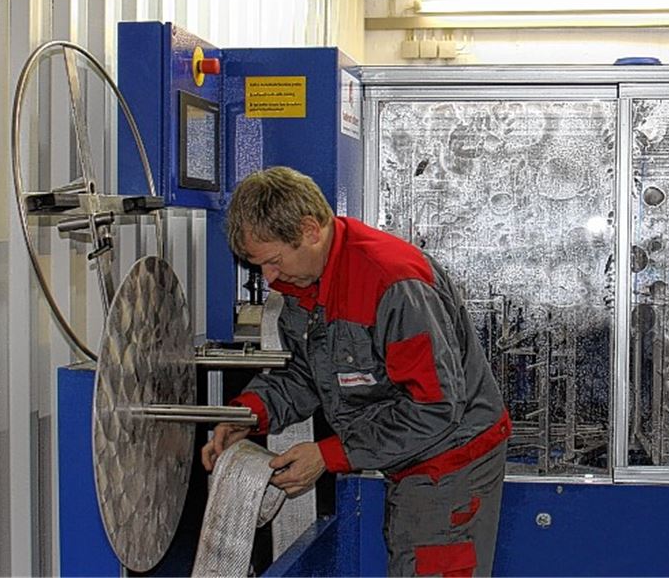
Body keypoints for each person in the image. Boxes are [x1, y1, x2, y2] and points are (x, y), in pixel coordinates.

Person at [201, 166, 512, 577]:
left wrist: (330, 455)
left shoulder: (393, 284)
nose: (269, 279)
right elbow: (306, 374)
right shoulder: (303, 284)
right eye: (260, 267)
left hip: (450, 461)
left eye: (273, 261)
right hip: (404, 455)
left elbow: (435, 407)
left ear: (310, 229)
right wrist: (250, 414)